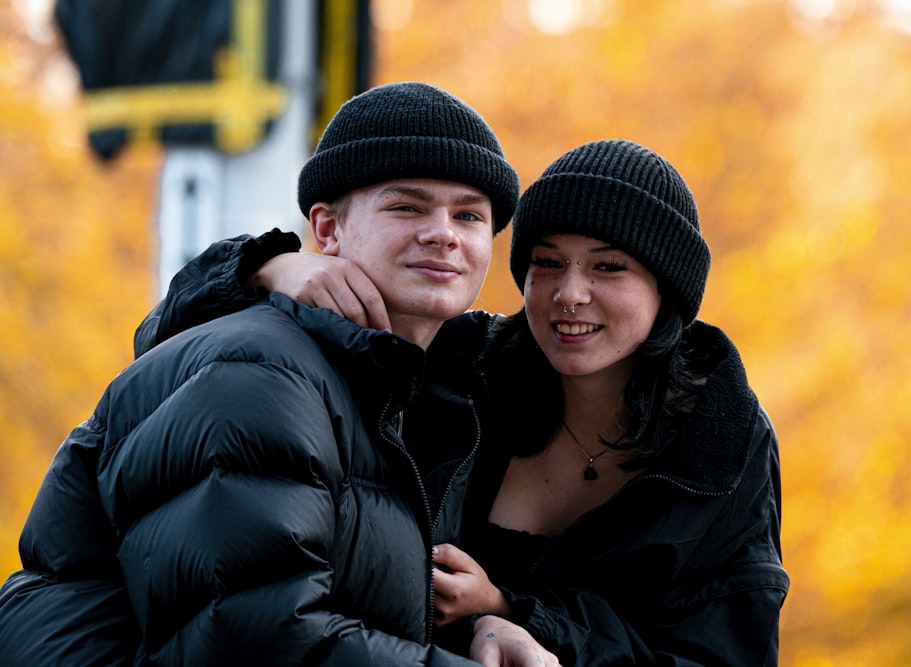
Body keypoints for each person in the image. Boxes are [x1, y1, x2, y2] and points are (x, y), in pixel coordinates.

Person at [118, 139, 791, 665]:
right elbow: (166, 341)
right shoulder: (466, 363)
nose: (570, 293)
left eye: (608, 267)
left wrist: (513, 608)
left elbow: (718, 653)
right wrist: (269, 268)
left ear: (668, 289)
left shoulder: (721, 443)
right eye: (547, 263)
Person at [0, 81, 562, 667]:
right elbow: (254, 638)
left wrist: (487, 624)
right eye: (407, 206)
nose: (444, 232)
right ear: (326, 230)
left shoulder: (413, 393)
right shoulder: (262, 372)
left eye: (468, 215)